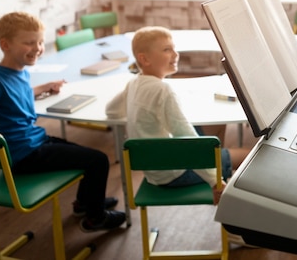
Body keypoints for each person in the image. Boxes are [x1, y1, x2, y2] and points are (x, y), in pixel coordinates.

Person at [0, 12, 126, 233]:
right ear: (5, 45)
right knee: (98, 160)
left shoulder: (17, 72)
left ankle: (86, 203)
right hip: (23, 155)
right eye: (29, 43)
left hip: (34, 142)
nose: (38, 48)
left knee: (87, 155)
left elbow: (15, 94)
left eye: (40, 42)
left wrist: (43, 88)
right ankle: (95, 218)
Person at [105, 26, 250, 204]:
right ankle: (234, 198)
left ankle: (218, 163)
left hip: (153, 170)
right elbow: (186, 136)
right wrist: (214, 180)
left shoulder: (134, 84)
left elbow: (111, 110)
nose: (176, 54)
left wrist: (138, 113)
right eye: (167, 49)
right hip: (174, 173)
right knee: (249, 156)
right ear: (144, 59)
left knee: (208, 128)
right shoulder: (163, 90)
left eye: (174, 48)